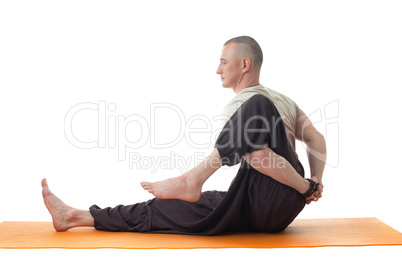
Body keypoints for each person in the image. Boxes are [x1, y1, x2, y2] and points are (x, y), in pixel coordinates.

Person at [42, 36, 326, 234]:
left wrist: (305, 187)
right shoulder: (285, 100)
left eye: (223, 62)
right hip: (263, 208)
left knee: (257, 105)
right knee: (164, 206)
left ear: (244, 65)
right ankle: (76, 217)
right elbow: (315, 139)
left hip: (278, 197)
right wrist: (316, 180)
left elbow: (262, 157)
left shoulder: (250, 103)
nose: (217, 69)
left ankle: (193, 178)